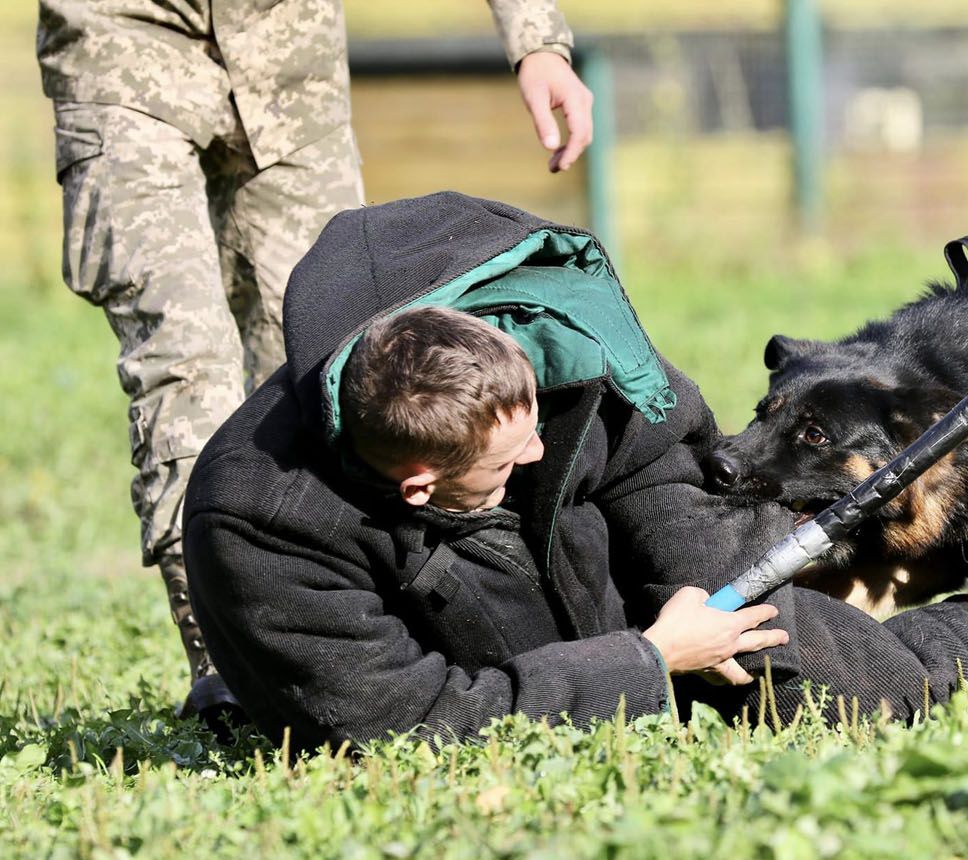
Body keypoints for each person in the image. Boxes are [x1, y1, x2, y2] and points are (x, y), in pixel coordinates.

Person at [182, 192, 968, 748]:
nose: (547, 449)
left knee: (827, 668)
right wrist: (646, 663)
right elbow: (410, 719)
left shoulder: (558, 359)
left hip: (628, 599)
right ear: (417, 483)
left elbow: (667, 487)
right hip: (487, 669)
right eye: (512, 463)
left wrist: (767, 610)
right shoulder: (266, 527)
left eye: (535, 422)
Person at [37, 0, 594, 703]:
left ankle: (365, 628)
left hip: (288, 55)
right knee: (183, 370)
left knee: (338, 360)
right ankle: (231, 666)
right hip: (123, 46)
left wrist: (537, 41)